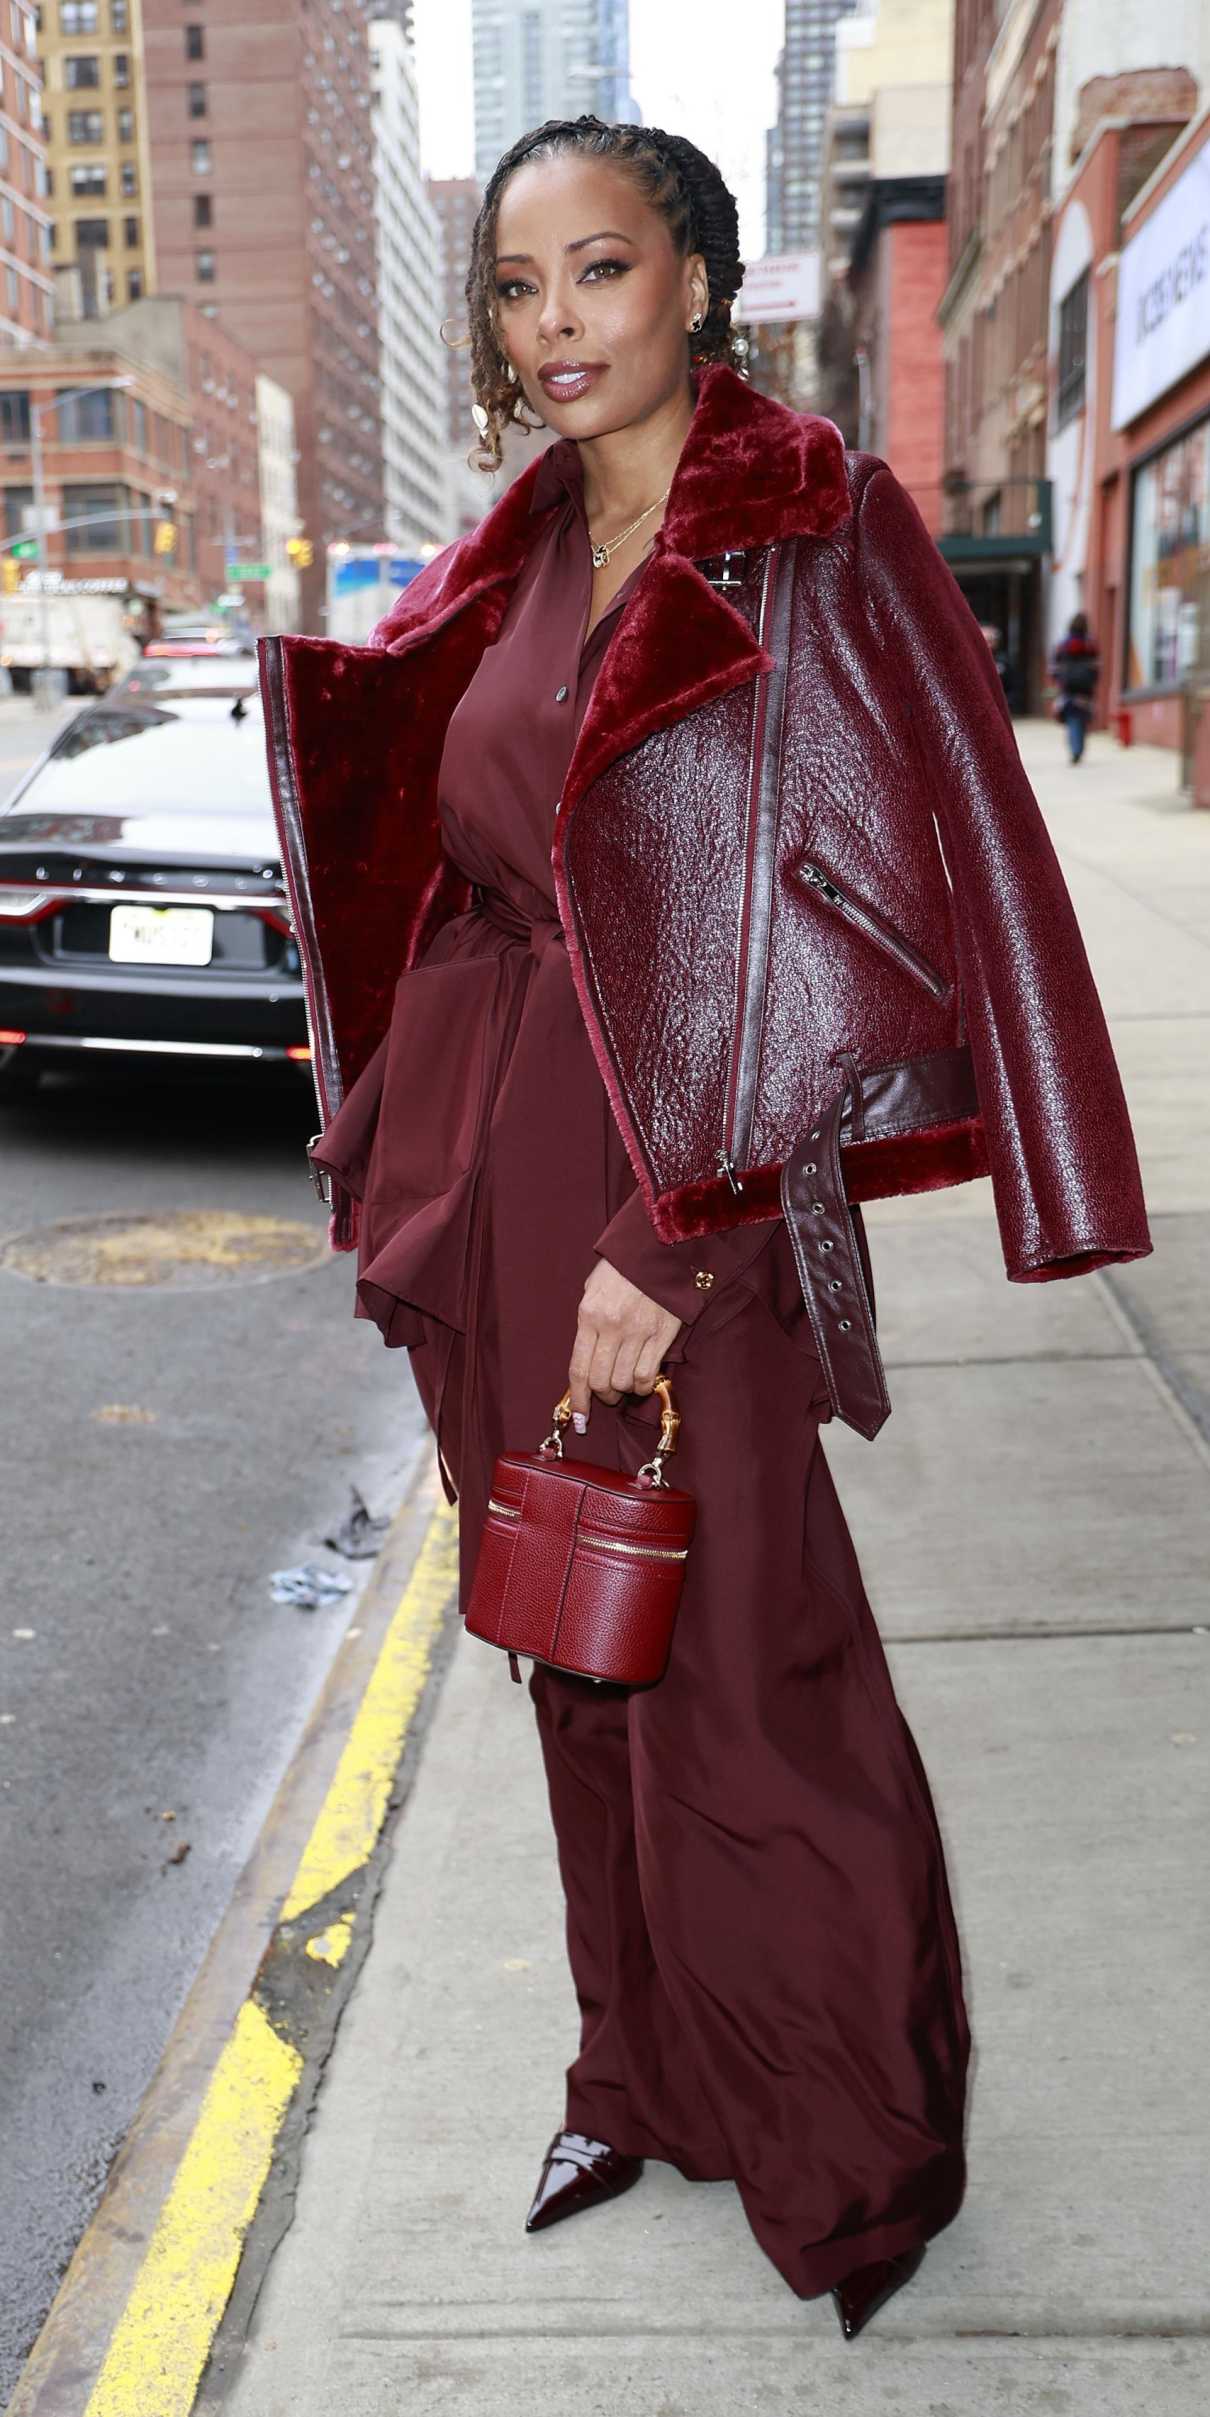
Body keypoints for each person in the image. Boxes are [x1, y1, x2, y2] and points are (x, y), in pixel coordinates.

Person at [260, 116, 1150, 2340]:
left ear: (695, 283)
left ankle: (858, 2146)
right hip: (493, 1173)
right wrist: (405, 1142)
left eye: (599, 269)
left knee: (752, 1680)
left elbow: (875, 917)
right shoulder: (517, 551)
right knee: (575, 1655)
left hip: (687, 1196)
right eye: (517, 284)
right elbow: (466, 859)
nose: (554, 321)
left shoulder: (811, 527)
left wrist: (685, 1241)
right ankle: (633, 2076)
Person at [1052, 611, 1100, 762]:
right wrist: (1093, 680)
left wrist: (1058, 680)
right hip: (1085, 687)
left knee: (1071, 716)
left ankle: (1075, 747)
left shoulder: (1063, 644)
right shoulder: (1090, 644)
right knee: (1082, 716)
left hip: (1068, 686)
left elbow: (1055, 665)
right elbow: (1096, 666)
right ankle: (1079, 747)